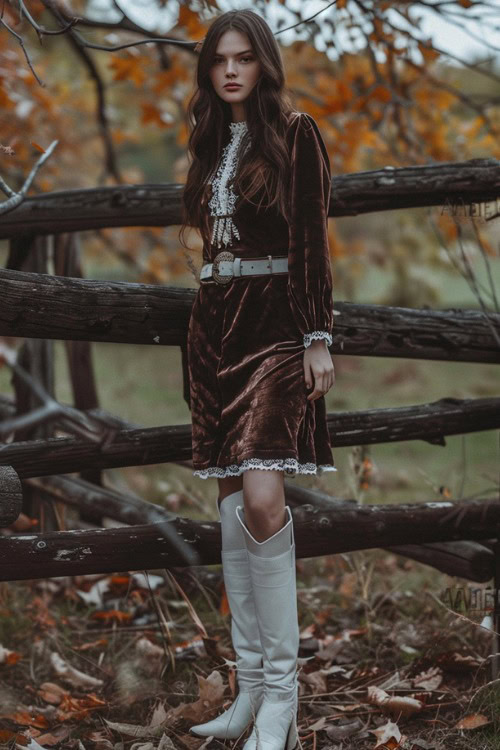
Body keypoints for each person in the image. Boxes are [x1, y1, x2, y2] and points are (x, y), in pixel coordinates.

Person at [179, 9, 336, 750]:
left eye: (244, 58)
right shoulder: (210, 142)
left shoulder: (295, 133)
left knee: (265, 501)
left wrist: (316, 333)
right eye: (220, 60)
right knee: (231, 508)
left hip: (275, 330)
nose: (232, 70)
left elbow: (309, 235)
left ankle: (282, 697)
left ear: (264, 64)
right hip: (213, 329)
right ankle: (246, 691)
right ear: (210, 71)